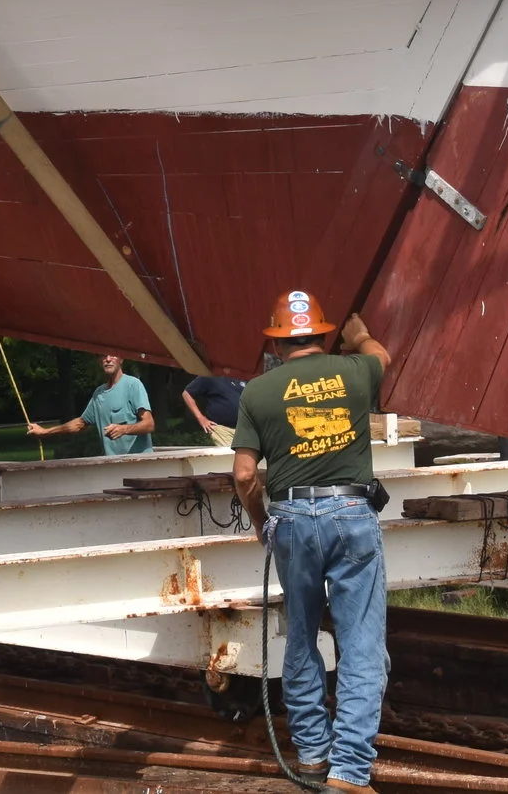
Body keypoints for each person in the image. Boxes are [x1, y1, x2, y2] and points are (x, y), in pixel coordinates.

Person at [232, 290, 394, 794]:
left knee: (301, 638)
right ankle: (348, 771)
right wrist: (360, 335)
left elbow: (242, 476)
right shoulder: (353, 371)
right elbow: (381, 357)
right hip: (351, 512)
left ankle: (313, 755)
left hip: (292, 518)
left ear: (276, 342)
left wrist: (262, 524)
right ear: (323, 335)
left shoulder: (257, 392)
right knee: (362, 645)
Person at [27, 353, 157, 455]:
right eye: (103, 355)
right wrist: (45, 432)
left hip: (140, 464)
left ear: (121, 359)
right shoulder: (99, 394)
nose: (108, 359)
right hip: (113, 467)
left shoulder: (133, 385)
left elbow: (149, 424)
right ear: (99, 361)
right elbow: (79, 424)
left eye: (112, 355)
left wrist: (124, 429)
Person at [180, 374, 244, 444]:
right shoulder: (210, 376)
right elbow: (187, 394)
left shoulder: (244, 377)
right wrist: (201, 418)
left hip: (245, 431)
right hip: (221, 429)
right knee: (230, 454)